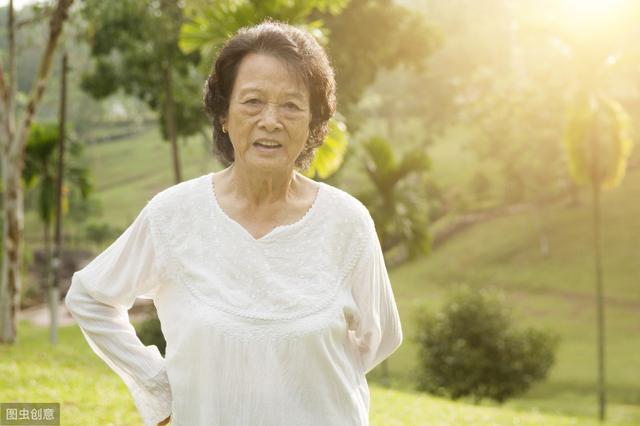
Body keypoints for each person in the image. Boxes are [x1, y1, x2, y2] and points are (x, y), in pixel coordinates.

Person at [65, 20, 403, 426]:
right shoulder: (173, 215)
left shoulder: (348, 223)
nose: (271, 121)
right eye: (253, 101)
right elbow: (90, 297)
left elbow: (382, 337)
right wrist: (158, 391)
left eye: (291, 105)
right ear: (224, 114)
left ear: (314, 123)